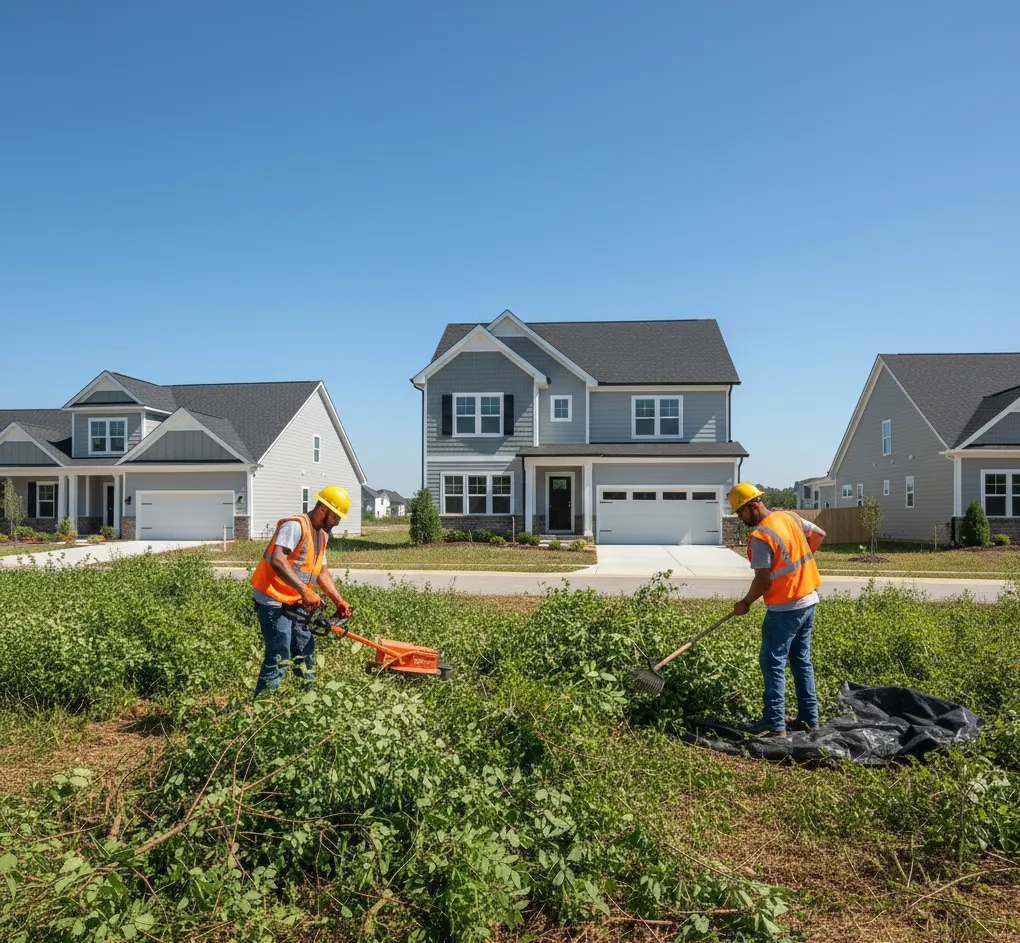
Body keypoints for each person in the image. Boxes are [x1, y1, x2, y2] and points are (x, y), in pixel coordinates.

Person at [727, 483, 826, 738]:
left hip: (785, 608)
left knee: (772, 663)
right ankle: (809, 719)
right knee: (800, 661)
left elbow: (762, 580)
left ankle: (775, 725)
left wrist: (746, 602)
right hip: (808, 600)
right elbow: (819, 534)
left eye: (741, 513)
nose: (740, 518)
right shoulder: (790, 517)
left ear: (754, 505)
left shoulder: (761, 536)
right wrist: (798, 564)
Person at [249, 486, 354, 697]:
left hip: (295, 601)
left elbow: (321, 572)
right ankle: (262, 709)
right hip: (272, 600)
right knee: (279, 653)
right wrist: (304, 591)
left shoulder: (322, 536)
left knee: (305, 648)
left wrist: (338, 600)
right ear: (324, 510)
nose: (338, 522)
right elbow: (278, 560)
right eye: (336, 517)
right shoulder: (295, 526)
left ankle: (306, 702)